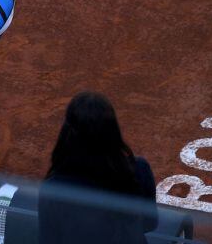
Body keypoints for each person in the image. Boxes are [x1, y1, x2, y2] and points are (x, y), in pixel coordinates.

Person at [39, 91, 158, 243]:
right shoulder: (139, 169)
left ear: (67, 133)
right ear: (113, 131)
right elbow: (149, 224)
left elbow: (48, 240)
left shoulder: (54, 189)